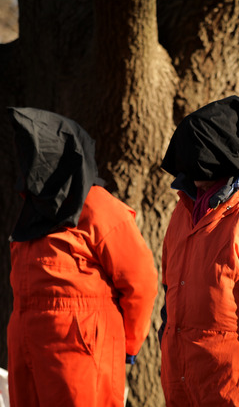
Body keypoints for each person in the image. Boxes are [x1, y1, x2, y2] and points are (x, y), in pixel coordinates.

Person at [6, 107, 158, 407]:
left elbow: (141, 281)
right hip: (26, 341)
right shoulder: (31, 210)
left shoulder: (99, 206)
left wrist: (129, 343)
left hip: (81, 346)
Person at [158, 96, 239, 406]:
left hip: (238, 385)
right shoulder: (184, 208)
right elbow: (171, 290)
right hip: (183, 382)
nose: (194, 178)